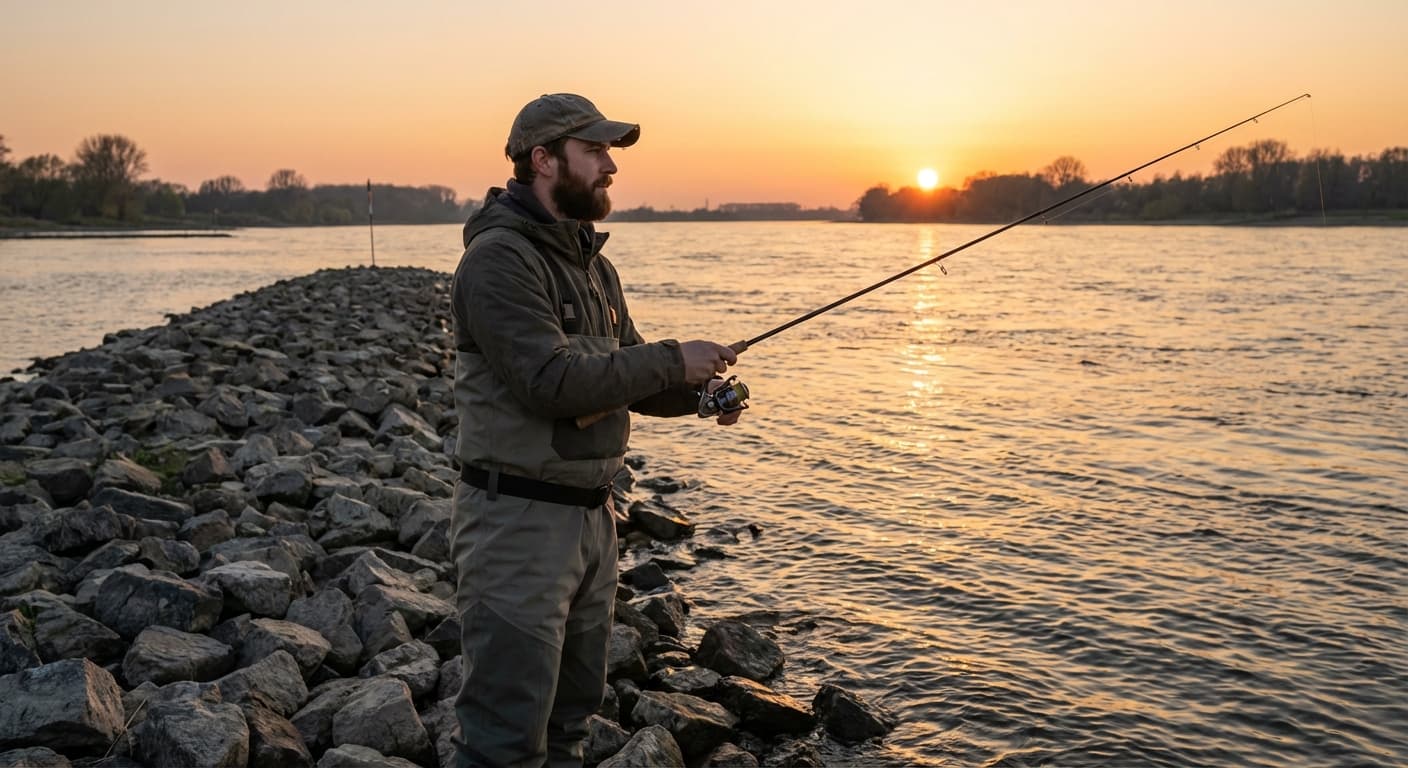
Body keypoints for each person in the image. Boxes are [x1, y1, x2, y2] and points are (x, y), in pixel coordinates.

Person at [448, 93, 744, 768]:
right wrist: (674, 356)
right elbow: (549, 382)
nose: (611, 167)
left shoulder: (594, 266)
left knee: (570, 726)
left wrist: (701, 390)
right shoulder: (499, 260)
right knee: (504, 739)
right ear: (543, 160)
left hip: (592, 522)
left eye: (610, 152)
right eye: (597, 151)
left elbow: (628, 377)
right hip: (515, 526)